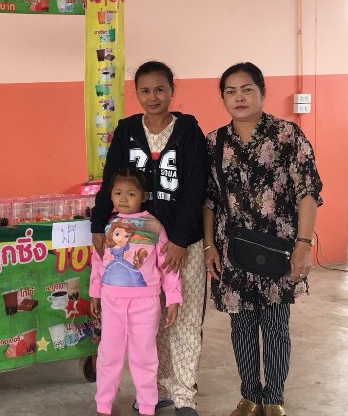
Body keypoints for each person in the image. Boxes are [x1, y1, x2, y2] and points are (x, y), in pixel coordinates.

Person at [203, 62, 322, 416]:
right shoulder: (214, 142)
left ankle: (274, 399)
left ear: (262, 92)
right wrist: (209, 246)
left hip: (278, 249)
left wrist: (303, 245)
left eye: (246, 89)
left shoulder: (287, 135)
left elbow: (307, 192)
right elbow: (208, 201)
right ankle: (250, 396)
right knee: (240, 326)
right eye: (230, 91)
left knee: (275, 327)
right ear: (223, 97)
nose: (238, 97)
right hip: (232, 252)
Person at [90, 61, 207, 415]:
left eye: (160, 89)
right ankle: (154, 393)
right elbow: (109, 181)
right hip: (135, 243)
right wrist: (98, 225)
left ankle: (183, 393)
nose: (152, 97)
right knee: (148, 323)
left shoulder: (189, 132)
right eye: (145, 90)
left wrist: (180, 240)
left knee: (182, 317)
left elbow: (195, 190)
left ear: (172, 90)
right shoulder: (126, 131)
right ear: (136, 93)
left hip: (180, 242)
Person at [90, 168, 182, 416]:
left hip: (145, 304)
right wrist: (95, 292)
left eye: (131, 194)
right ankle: (103, 405)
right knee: (108, 355)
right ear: (110, 195)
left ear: (143, 196)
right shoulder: (106, 226)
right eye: (118, 193)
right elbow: (98, 261)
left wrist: (173, 298)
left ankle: (147, 405)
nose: (123, 198)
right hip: (112, 302)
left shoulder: (154, 226)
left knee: (144, 357)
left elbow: (167, 266)